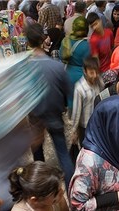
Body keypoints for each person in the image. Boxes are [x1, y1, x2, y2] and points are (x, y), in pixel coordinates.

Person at [25, 22, 75, 191]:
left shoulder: (23, 68)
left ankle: (42, 189)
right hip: (54, 115)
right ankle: (71, 190)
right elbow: (69, 92)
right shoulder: (57, 66)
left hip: (34, 118)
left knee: (38, 156)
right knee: (62, 153)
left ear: (27, 41)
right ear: (43, 39)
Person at [70, 56, 103, 162]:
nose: (95, 75)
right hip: (85, 127)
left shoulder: (99, 82)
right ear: (84, 71)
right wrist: (74, 130)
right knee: (87, 152)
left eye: (96, 72)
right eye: (91, 72)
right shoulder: (79, 88)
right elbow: (76, 111)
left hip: (97, 123)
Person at [59, 16, 91, 113]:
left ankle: (70, 119)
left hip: (67, 73)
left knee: (70, 102)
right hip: (81, 76)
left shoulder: (66, 41)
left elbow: (61, 56)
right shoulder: (86, 45)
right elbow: (89, 63)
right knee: (80, 104)